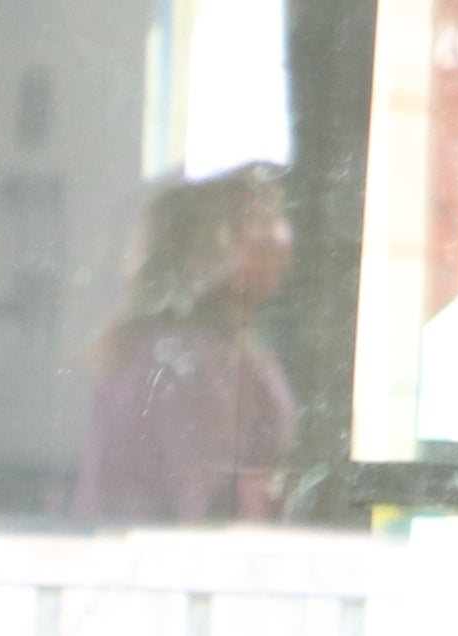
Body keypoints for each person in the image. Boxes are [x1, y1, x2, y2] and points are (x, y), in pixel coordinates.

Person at [78, 167, 303, 524]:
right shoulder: (189, 365)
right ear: (215, 251)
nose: (281, 246)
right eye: (259, 229)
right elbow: (204, 514)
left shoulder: (146, 350)